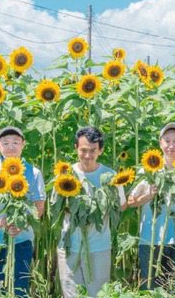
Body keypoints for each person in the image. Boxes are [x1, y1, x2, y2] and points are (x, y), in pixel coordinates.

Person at [0, 126, 47, 297]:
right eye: (6, 143)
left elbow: (39, 206)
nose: (11, 147)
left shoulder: (33, 173)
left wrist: (22, 224)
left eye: (15, 142)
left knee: (19, 289)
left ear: (23, 144)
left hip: (22, 240)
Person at [128, 122, 175, 290]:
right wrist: (149, 195)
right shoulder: (148, 170)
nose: (171, 145)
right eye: (167, 141)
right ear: (160, 143)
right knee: (150, 290)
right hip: (150, 240)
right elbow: (131, 202)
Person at [56, 126, 121, 297]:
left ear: (101, 150)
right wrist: (71, 209)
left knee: (98, 294)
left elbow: (120, 205)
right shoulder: (66, 174)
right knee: (71, 294)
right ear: (76, 148)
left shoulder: (110, 176)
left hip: (99, 247)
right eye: (83, 150)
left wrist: (102, 209)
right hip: (69, 245)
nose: (87, 155)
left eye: (93, 150)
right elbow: (55, 206)